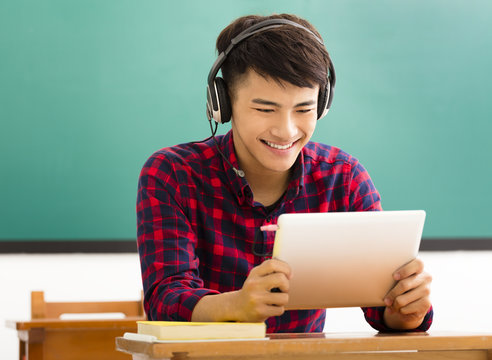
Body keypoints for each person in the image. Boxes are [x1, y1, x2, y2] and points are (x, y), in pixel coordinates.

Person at [136, 13, 433, 333]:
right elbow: (164, 301)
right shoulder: (173, 174)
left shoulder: (343, 179)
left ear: (323, 104)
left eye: (304, 109)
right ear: (223, 104)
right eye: (265, 109)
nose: (286, 130)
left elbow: (382, 307)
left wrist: (406, 311)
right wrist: (235, 306)